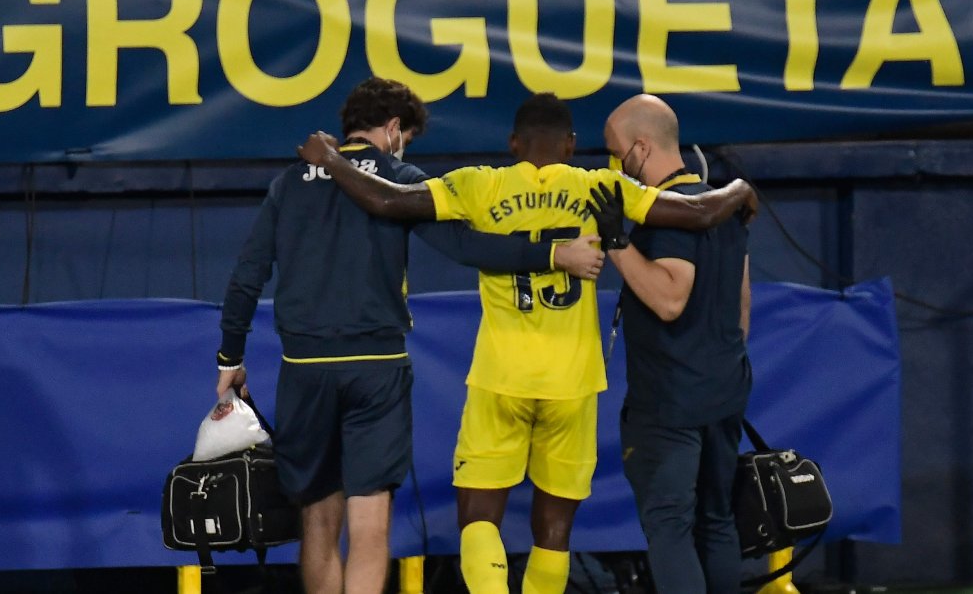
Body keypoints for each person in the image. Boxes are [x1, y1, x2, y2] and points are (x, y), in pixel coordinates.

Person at [296, 92, 758, 594]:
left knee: (478, 519)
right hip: (573, 381)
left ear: (513, 143)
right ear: (571, 144)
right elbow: (695, 212)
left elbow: (388, 200)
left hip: (502, 376)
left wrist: (334, 161)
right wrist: (738, 191)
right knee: (556, 533)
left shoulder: (480, 184)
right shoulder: (601, 185)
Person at [213, 78, 603, 594]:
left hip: (305, 369)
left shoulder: (289, 182)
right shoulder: (399, 178)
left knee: (318, 520)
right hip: (378, 366)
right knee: (371, 525)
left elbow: (247, 275)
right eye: (408, 137)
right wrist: (556, 255)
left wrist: (230, 358)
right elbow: (470, 248)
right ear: (394, 129)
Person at [590, 94, 752, 594]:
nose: (613, 165)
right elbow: (743, 303)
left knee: (669, 528)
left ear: (641, 148)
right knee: (718, 521)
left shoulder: (670, 213)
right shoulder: (723, 207)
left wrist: (616, 244)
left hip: (670, 402)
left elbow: (669, 298)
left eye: (617, 153)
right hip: (723, 391)